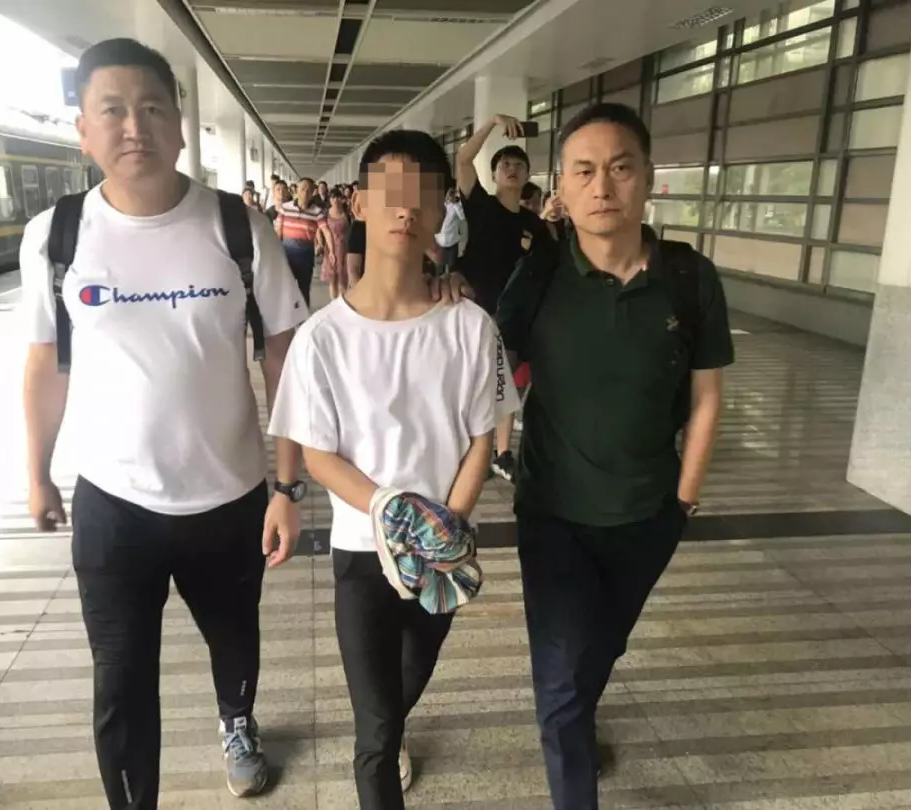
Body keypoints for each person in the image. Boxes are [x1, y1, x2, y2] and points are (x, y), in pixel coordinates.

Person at [20, 38, 309, 808]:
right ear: (83, 130)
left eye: (151, 108)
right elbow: (47, 362)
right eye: (112, 110)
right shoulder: (56, 236)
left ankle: (237, 719)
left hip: (229, 495)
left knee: (234, 635)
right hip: (113, 505)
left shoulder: (238, 226)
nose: (133, 127)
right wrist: (37, 472)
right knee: (119, 681)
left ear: (179, 124)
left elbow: (284, 355)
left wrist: (289, 485)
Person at [268, 128, 517, 810]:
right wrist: (392, 511)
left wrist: (444, 526)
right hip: (361, 552)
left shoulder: (469, 327)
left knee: (410, 679)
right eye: (391, 194)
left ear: (441, 212)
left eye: (423, 196)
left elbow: (482, 437)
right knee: (375, 732)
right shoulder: (322, 338)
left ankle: (396, 724)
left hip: (442, 552)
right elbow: (319, 453)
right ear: (361, 205)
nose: (406, 210)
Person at [497, 102, 735, 810]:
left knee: (601, 647)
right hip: (554, 512)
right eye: (584, 172)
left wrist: (683, 501)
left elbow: (707, 398)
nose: (602, 187)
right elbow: (479, 361)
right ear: (562, 190)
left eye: (620, 168)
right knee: (561, 677)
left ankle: (578, 717)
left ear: (649, 179)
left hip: (648, 514)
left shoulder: (689, 278)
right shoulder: (539, 276)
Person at [455, 114, 551, 484]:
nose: (511, 169)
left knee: (504, 384)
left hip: (511, 316)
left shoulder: (534, 225)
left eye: (518, 165)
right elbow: (463, 159)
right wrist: (493, 122)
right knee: (473, 384)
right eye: (504, 165)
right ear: (495, 174)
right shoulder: (480, 204)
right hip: (473, 309)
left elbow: (546, 268)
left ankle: (502, 453)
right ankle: (470, 450)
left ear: (527, 176)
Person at [276, 177, 333, 307]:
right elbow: (278, 231)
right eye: (303, 189)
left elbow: (326, 231)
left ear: (313, 192)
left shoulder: (317, 211)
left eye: (309, 190)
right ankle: (288, 315)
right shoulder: (285, 208)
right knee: (287, 288)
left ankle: (304, 316)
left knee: (304, 289)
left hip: (305, 256)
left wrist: (331, 251)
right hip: (287, 254)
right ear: (296, 190)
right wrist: (276, 252)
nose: (305, 193)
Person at [321, 189, 352, 299]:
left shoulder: (347, 213)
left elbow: (351, 230)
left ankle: (341, 300)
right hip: (330, 247)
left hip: (344, 248)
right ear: (330, 199)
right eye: (333, 197)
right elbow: (321, 230)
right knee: (332, 278)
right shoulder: (325, 214)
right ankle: (333, 302)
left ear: (341, 199)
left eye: (338, 197)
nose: (335, 200)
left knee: (343, 279)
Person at [434, 187, 465, 275]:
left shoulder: (456, 206)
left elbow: (462, 217)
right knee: (439, 266)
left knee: (451, 267)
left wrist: (456, 204)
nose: (451, 197)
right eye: (450, 195)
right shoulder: (443, 205)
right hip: (441, 240)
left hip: (452, 240)